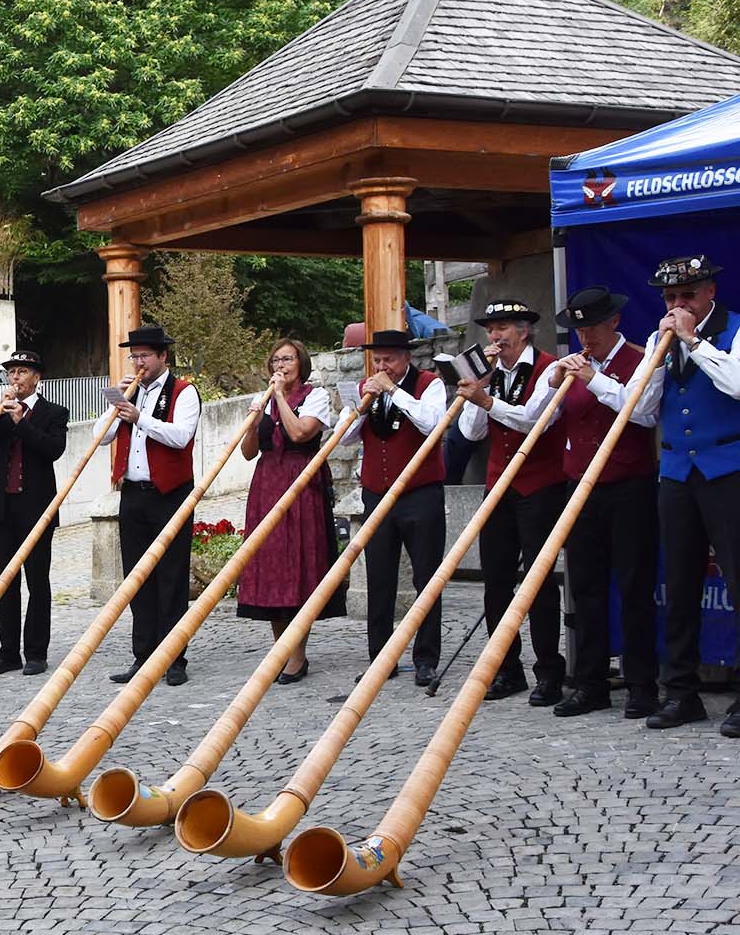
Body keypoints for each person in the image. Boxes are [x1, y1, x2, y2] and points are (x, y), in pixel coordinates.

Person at [625, 256, 739, 735]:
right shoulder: (659, 340)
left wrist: (693, 341)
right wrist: (659, 358)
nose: (677, 305)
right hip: (675, 471)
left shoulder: (735, 330)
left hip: (728, 467)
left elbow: (737, 384)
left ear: (710, 292)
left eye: (687, 295)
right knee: (679, 584)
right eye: (670, 297)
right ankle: (681, 692)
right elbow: (639, 411)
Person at [544, 286, 659, 719]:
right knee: (586, 589)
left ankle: (642, 685)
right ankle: (590, 683)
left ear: (613, 322)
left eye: (592, 326)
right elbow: (542, 418)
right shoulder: (572, 364)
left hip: (629, 486)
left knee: (635, 587)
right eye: (579, 330)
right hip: (580, 488)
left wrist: (594, 379)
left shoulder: (640, 358)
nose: (585, 336)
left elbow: (642, 413)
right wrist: (553, 384)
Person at [455, 299, 569, 705]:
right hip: (498, 486)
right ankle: (506, 669)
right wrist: (480, 389)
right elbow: (471, 433)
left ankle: (549, 671)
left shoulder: (550, 368)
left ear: (524, 330)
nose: (495, 336)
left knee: (538, 582)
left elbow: (534, 420)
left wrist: (487, 402)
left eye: (502, 327)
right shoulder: (489, 373)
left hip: (540, 485)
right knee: (497, 581)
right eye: (490, 329)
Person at [340, 330, 447, 689]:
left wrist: (394, 391)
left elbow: (432, 424)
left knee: (427, 578)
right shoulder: (365, 389)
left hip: (420, 493)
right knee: (379, 577)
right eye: (378, 360)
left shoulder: (429, 384)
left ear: (406, 358)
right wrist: (362, 405)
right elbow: (344, 437)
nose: (382, 366)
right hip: (377, 493)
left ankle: (426, 659)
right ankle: (380, 659)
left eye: (389, 359)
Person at [234, 339, 341, 683]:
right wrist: (254, 421)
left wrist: (279, 397)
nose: (281, 365)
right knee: (272, 565)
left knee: (298, 565)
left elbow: (299, 433)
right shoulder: (264, 399)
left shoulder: (315, 396)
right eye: (276, 360)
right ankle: (280, 649)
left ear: (301, 363)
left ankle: (298, 655)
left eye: (288, 359)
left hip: (301, 483)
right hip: (267, 484)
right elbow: (248, 452)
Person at [101, 326, 200, 687]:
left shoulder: (184, 391)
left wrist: (139, 417)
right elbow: (102, 436)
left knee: (171, 576)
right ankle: (143, 656)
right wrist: (117, 405)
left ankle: (174, 658)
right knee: (137, 577)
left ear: (162, 357)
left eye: (144, 355)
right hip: (133, 494)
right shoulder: (131, 392)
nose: (138, 362)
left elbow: (180, 436)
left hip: (170, 493)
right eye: (134, 356)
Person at [0, 350, 70, 676]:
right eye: (12, 372)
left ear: (37, 378)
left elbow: (53, 450)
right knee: (5, 582)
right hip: (1, 508)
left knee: (37, 581)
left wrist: (21, 423)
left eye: (23, 372)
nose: (16, 378)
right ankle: (8, 652)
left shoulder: (53, 412)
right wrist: (0, 414)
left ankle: (36, 653)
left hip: (37, 508)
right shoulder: (0, 410)